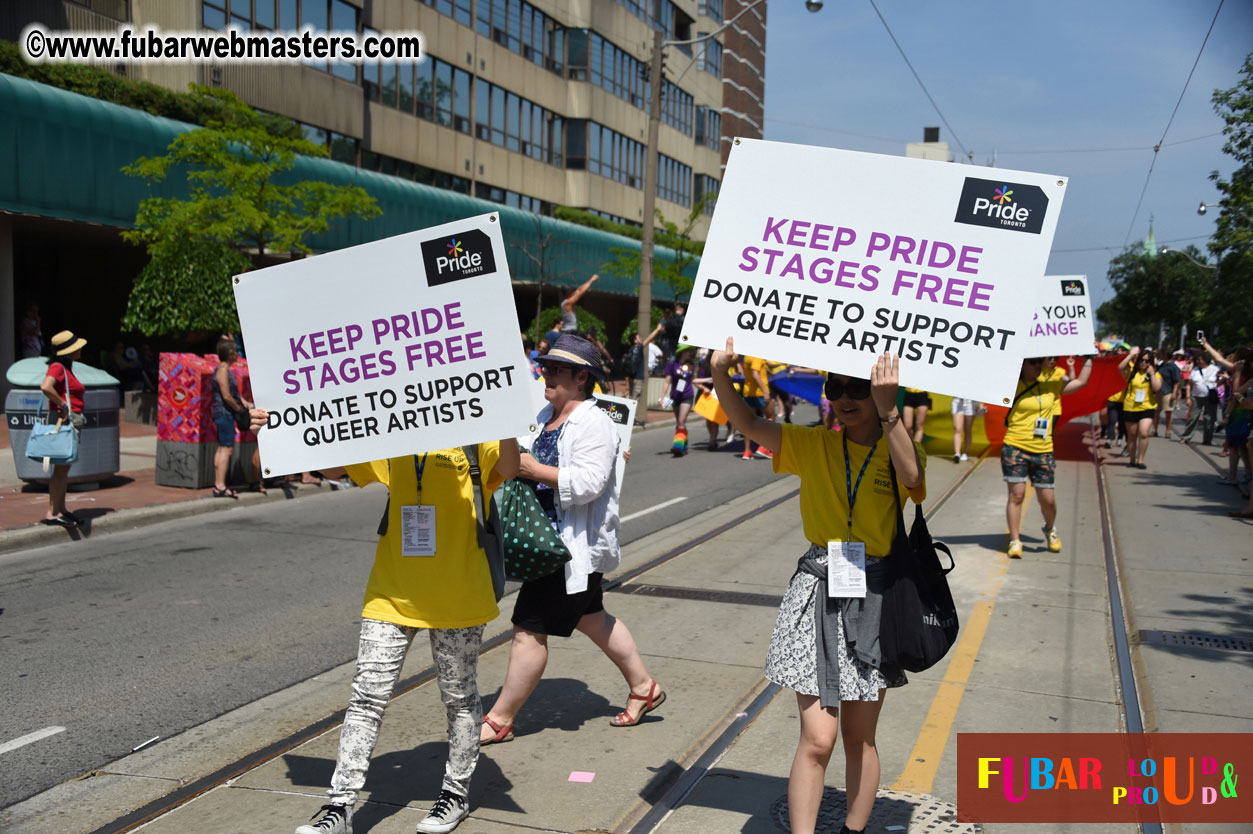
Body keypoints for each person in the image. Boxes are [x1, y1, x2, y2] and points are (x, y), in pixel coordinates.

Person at [250, 417, 519, 834]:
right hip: (391, 592)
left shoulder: (475, 425)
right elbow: (335, 465)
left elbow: (510, 467)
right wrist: (284, 422)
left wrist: (508, 413)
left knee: (459, 697)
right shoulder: (390, 423)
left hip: (459, 594)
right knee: (366, 698)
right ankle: (339, 807)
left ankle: (455, 794)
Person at [710, 338, 924, 834]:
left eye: (857, 388)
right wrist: (721, 373)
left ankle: (853, 830)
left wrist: (890, 411)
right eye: (836, 387)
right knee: (817, 738)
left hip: (875, 597)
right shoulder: (815, 444)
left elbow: (913, 478)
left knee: (859, 737)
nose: (845, 397)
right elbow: (748, 424)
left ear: (879, 390)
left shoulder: (897, 446)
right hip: (817, 591)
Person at [481, 335, 663, 745]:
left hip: (566, 549)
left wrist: (533, 470)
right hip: (546, 541)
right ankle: (644, 687)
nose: (547, 373)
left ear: (581, 378)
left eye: (557, 369)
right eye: (546, 366)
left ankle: (500, 718)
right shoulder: (545, 414)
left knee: (529, 629)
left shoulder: (594, 421)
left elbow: (589, 484)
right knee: (591, 617)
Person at [1003, 356, 1092, 557]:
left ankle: (1050, 528)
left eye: (1039, 362)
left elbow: (1081, 382)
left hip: (1043, 449)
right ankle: (1015, 540)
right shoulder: (1011, 385)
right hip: (1015, 447)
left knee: (1048, 500)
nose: (1038, 365)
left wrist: (1089, 358)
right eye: (1033, 362)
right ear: (1023, 364)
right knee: (1016, 495)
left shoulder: (1053, 385)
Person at [38, 330, 88, 527]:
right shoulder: (58, 367)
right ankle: (52, 513)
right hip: (64, 421)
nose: (80, 349)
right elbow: (45, 386)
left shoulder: (65, 368)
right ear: (68, 351)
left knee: (63, 469)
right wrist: (63, 404)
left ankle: (61, 509)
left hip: (70, 420)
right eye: (76, 347)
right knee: (60, 469)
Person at [210, 338, 252, 498]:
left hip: (223, 414)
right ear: (229, 354)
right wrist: (239, 410)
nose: (237, 355)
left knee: (223, 447)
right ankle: (220, 485)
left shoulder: (226, 371)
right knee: (226, 449)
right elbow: (227, 396)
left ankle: (218, 484)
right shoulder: (222, 371)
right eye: (235, 352)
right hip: (224, 413)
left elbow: (234, 394)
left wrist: (245, 403)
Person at [1118, 348, 1162, 469]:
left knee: (1143, 433)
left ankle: (1140, 459)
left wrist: (1152, 374)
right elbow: (1120, 367)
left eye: (1147, 361)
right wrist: (1130, 355)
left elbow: (1157, 388)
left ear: (1151, 363)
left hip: (1147, 407)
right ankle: (1132, 459)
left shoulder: (1155, 375)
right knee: (1132, 435)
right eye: (1141, 360)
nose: (1143, 363)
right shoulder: (1132, 373)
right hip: (1130, 407)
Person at [662, 345, 697, 456]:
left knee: (681, 421)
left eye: (690, 351)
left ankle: (677, 447)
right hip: (675, 396)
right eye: (688, 351)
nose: (690, 353)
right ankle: (684, 446)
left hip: (687, 395)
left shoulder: (691, 364)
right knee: (679, 423)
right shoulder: (672, 364)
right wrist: (662, 397)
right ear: (682, 352)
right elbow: (667, 381)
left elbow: (693, 379)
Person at [738, 354, 774, 460]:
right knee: (770, 418)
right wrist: (765, 391)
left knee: (749, 422)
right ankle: (764, 447)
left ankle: (747, 451)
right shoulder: (757, 356)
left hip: (748, 392)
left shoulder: (747, 356)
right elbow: (755, 374)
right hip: (759, 393)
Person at [1179, 353, 1219, 446]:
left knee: (1209, 419)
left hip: (1210, 397)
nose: (1198, 361)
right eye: (1197, 359)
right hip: (1196, 397)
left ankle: (1207, 439)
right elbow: (1189, 384)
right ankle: (1186, 437)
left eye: (1200, 359)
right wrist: (1188, 397)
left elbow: (1220, 382)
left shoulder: (1215, 369)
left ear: (1205, 360)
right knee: (1193, 417)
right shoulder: (1195, 370)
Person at [1153, 350, 1183, 437]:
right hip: (1158, 391)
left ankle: (1168, 431)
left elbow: (1176, 381)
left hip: (1168, 391)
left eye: (1162, 354)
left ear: (1166, 355)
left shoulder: (1173, 366)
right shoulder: (1161, 365)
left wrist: (1174, 393)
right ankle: (1154, 430)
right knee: (1156, 411)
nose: (1160, 355)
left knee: (1168, 412)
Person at [950, 397, 978, 462]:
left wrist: (979, 404)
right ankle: (957, 453)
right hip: (957, 401)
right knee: (957, 428)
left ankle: (965, 453)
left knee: (968, 429)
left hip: (970, 402)